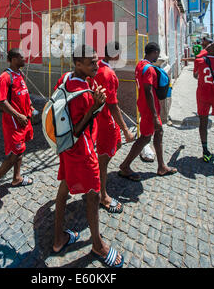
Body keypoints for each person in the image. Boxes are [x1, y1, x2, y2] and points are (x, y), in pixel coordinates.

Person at [52, 45, 124, 268]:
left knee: (64, 188)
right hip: (82, 149)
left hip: (65, 146)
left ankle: (58, 239)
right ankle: (97, 244)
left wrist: (95, 101)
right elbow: (78, 128)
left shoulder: (65, 79)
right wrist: (95, 106)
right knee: (93, 195)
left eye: (96, 61)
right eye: (91, 63)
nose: (96, 65)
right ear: (78, 64)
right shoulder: (82, 93)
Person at [118, 42, 177, 181]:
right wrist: (155, 115)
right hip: (149, 108)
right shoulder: (149, 69)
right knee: (145, 137)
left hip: (145, 106)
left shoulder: (140, 65)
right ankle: (125, 165)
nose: (158, 56)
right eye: (158, 53)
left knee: (158, 132)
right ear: (155, 52)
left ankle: (162, 165)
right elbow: (148, 90)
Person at [0, 48, 34, 202]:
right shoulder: (5, 77)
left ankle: (17, 178)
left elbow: (22, 93)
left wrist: (29, 105)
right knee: (15, 153)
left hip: (24, 120)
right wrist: (18, 115)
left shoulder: (19, 74)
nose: (24, 59)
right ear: (13, 59)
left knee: (21, 149)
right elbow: (1, 101)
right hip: (14, 122)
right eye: (21, 57)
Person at [93, 41, 134, 214]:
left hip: (102, 119)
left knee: (112, 148)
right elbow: (112, 105)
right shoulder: (107, 72)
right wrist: (125, 129)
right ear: (116, 54)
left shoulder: (98, 68)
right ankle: (102, 194)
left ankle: (98, 179)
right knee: (103, 158)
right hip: (105, 121)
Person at [193, 40, 214, 162]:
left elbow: (195, 76)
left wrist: (204, 51)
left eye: (213, 45)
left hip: (203, 95)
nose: (209, 45)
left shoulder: (199, 61)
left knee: (203, 123)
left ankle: (205, 150)